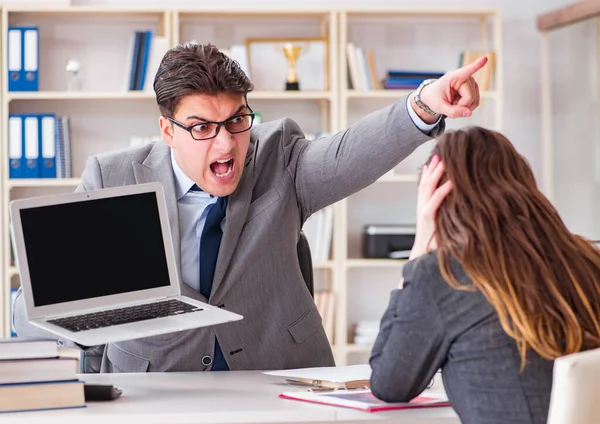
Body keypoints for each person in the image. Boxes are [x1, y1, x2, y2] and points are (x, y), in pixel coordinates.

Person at [13, 43, 486, 373]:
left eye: (237, 120)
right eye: (201, 127)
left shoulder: (278, 155)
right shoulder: (113, 177)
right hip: (158, 383)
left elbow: (348, 152)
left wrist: (423, 105)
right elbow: (56, 300)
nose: (226, 142)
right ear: (166, 130)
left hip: (276, 375)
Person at [369, 126, 600, 424]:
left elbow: (389, 384)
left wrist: (420, 245)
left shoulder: (443, 275)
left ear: (438, 197)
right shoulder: (584, 259)